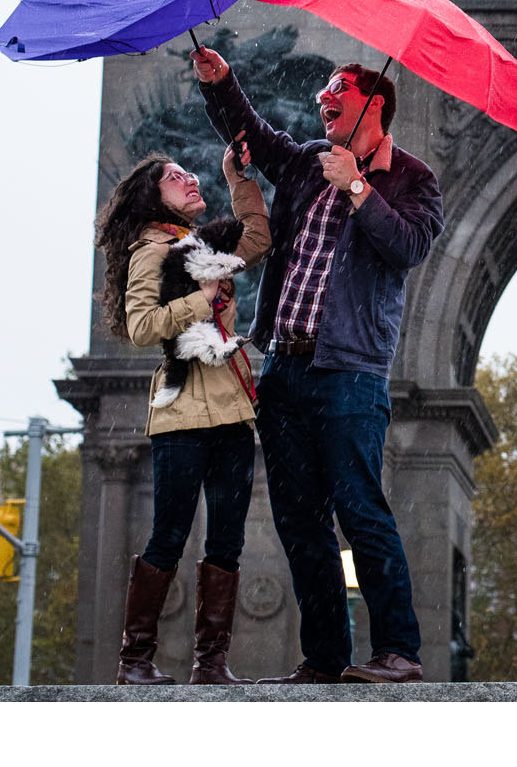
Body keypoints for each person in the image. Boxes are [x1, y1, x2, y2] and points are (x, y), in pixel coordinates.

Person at [190, 47, 446, 685]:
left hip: (350, 373)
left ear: (373, 104)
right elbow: (254, 135)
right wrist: (222, 84)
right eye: (322, 95)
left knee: (361, 509)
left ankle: (398, 653)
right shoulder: (305, 161)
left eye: (336, 93)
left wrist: (357, 187)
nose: (321, 101)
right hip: (285, 369)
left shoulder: (412, 178)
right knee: (298, 519)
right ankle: (326, 655)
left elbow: (407, 246)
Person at [94, 145, 270, 686]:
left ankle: (211, 665)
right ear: (154, 196)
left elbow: (259, 238)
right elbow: (143, 327)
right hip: (183, 411)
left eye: (190, 174)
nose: (188, 179)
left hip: (233, 409)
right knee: (168, 535)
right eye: (175, 177)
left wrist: (234, 178)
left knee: (227, 541)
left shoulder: (201, 244)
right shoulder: (150, 251)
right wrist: (204, 298)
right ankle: (135, 663)